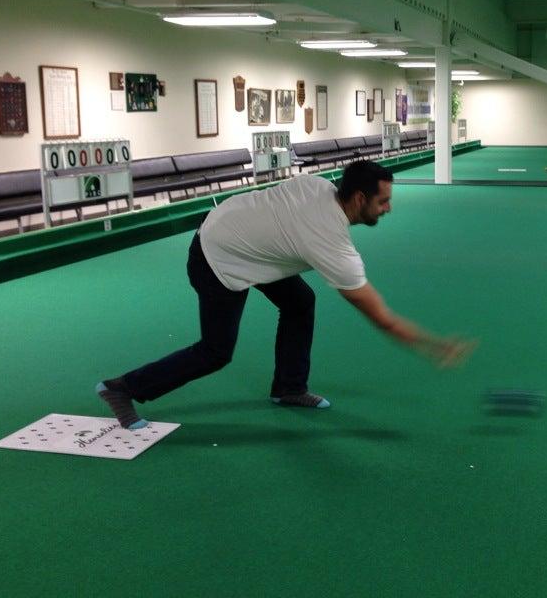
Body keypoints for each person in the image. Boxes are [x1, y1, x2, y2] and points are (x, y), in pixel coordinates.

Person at [97, 160, 475, 429]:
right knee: (215, 352)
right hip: (217, 256)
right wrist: (434, 344)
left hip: (243, 235)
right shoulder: (333, 245)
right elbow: (383, 319)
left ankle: (289, 388)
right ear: (359, 199)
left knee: (300, 301)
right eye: (383, 202)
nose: (389, 208)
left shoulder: (317, 184)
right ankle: (122, 388)